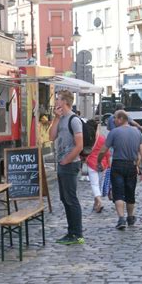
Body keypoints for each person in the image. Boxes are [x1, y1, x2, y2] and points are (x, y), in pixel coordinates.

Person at [97, 110, 142, 230]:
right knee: (130, 191)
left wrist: (99, 160)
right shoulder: (137, 132)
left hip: (118, 164)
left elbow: (103, 149)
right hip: (131, 165)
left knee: (118, 192)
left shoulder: (114, 132)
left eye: (115, 118)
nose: (113, 120)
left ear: (121, 118)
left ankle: (121, 218)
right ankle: (130, 217)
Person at [49, 90, 85, 245]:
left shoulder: (74, 120)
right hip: (62, 163)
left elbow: (79, 145)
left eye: (58, 99)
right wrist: (56, 118)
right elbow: (51, 137)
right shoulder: (62, 119)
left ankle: (77, 233)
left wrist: (66, 160)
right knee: (65, 199)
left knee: (71, 199)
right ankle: (71, 232)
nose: (56, 102)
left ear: (65, 102)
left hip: (70, 164)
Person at [85, 119, 111, 213]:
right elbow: (107, 152)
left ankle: (99, 202)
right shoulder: (102, 138)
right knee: (99, 184)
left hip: (92, 163)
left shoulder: (88, 138)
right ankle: (96, 205)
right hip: (102, 164)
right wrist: (108, 164)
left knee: (94, 184)